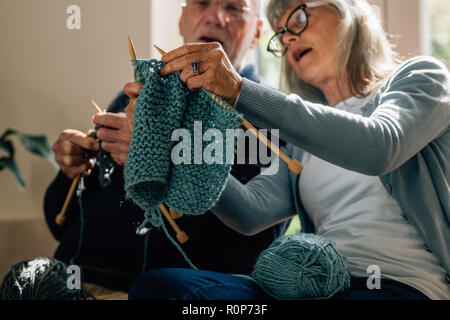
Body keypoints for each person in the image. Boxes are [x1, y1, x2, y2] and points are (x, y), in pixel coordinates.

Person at [127, 0, 450, 300]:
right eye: (280, 34)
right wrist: (176, 142)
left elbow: (380, 147)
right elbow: (251, 213)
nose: (288, 39)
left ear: (352, 13)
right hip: (314, 286)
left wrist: (239, 90)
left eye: (298, 19)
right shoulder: (300, 141)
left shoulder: (421, 77)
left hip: (403, 285)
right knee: (161, 289)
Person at [44, 0, 290, 295]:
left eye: (234, 8)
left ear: (256, 32)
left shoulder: (266, 116)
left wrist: (164, 156)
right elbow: (61, 224)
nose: (215, 17)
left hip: (163, 291)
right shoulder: (138, 96)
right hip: (69, 278)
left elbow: (250, 252)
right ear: (183, 19)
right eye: (202, 3)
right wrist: (74, 172)